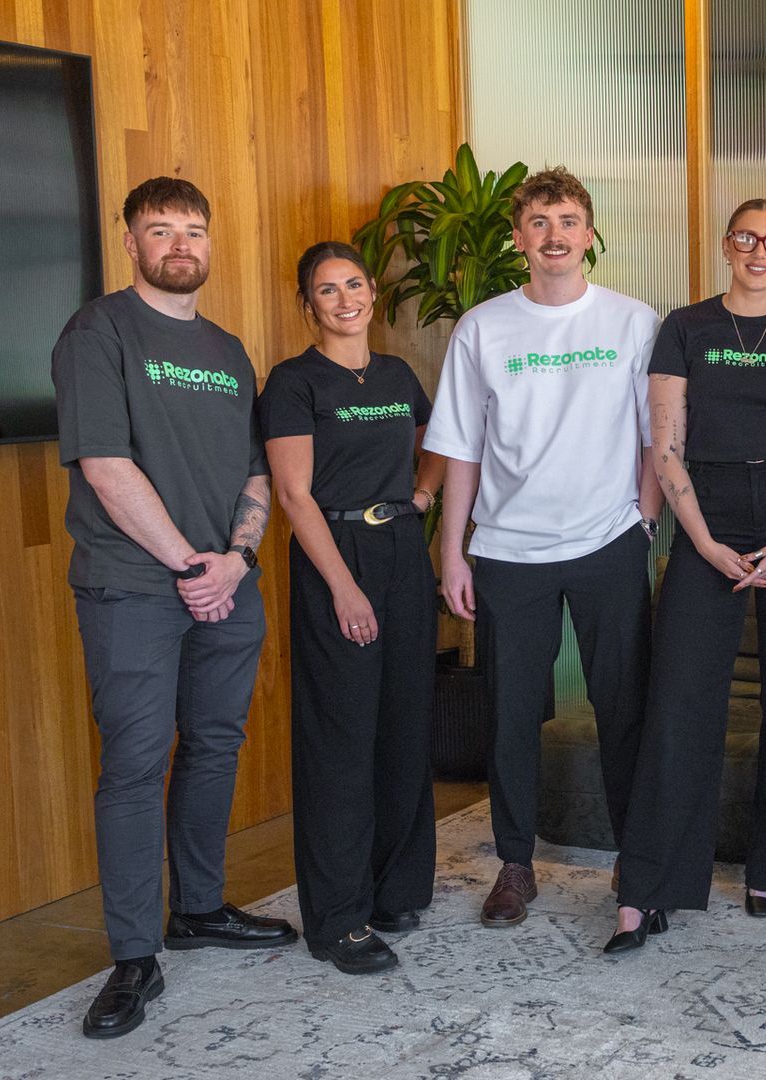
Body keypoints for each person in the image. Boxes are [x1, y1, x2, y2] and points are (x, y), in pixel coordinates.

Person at [52, 176, 296, 1039]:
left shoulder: (230, 350)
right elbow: (103, 465)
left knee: (216, 746)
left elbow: (256, 471)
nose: (181, 244)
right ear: (131, 242)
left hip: (226, 580)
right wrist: (191, 563)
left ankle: (197, 909)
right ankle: (132, 955)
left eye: (194, 229)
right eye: (162, 231)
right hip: (134, 585)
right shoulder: (98, 331)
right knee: (136, 760)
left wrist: (235, 558)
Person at [424, 167, 661, 929]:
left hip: (608, 540)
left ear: (588, 235)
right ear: (518, 237)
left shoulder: (631, 322)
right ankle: (516, 863)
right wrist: (452, 553)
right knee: (510, 714)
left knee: (624, 708)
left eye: (567, 221)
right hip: (507, 551)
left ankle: (636, 857)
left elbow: (658, 438)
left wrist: (645, 523)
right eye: (539, 222)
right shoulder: (483, 328)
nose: (554, 235)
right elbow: (460, 448)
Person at [607, 199, 766, 952]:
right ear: (726, 245)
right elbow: (664, 446)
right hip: (706, 513)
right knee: (679, 698)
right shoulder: (685, 327)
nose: (759, 251)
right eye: (747, 238)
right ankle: (651, 886)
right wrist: (700, 541)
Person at [259, 241, 447, 974]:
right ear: (309, 305)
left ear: (372, 291)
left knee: (404, 721)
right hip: (335, 553)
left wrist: (422, 498)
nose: (345, 299)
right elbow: (294, 495)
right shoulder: (294, 382)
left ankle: (395, 889)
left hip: (401, 545)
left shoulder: (398, 374)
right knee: (340, 740)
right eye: (327, 290)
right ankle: (337, 919)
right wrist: (342, 586)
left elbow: (441, 445)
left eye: (355, 284)